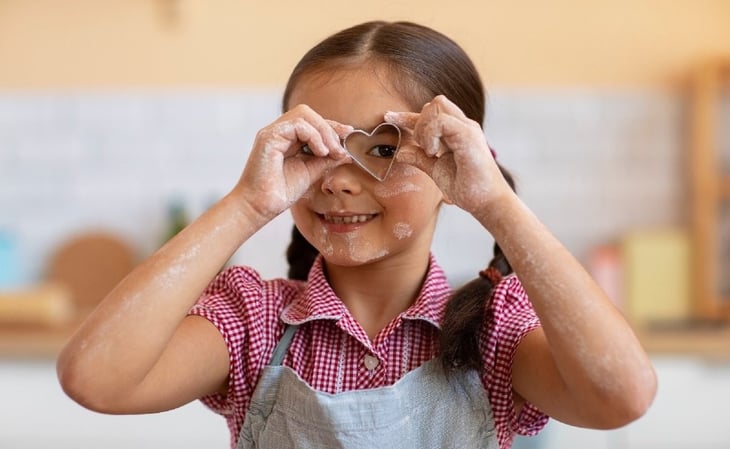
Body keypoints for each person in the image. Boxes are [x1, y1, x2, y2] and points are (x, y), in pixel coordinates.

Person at [57, 20, 657, 449]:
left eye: (384, 148)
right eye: (315, 148)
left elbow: (621, 396)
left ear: (454, 165)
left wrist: (495, 202)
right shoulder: (255, 324)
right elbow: (95, 379)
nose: (339, 182)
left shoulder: (494, 333)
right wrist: (246, 204)